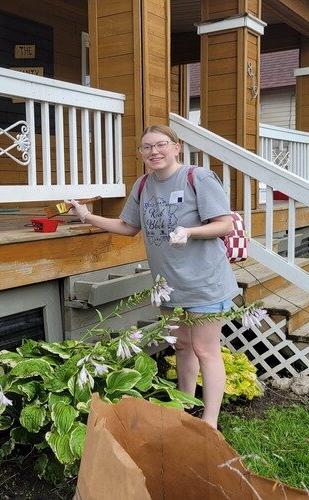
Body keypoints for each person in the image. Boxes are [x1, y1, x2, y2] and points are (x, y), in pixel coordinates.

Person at [67, 124, 239, 429]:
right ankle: (185, 408)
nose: (153, 152)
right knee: (182, 346)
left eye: (160, 145)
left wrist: (190, 231)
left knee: (205, 349)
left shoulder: (197, 178)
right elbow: (128, 226)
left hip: (204, 280)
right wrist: (86, 215)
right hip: (167, 285)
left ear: (176, 147)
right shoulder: (143, 185)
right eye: (146, 147)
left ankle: (210, 422)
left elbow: (225, 224)